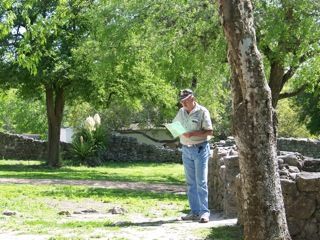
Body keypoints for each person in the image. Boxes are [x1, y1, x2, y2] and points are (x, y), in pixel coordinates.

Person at [173, 89, 213, 223]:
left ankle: (204, 213)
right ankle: (194, 212)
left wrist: (192, 134)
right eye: (181, 100)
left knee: (201, 182)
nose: (183, 102)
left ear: (192, 98)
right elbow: (175, 126)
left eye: (185, 99)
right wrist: (178, 131)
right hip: (186, 150)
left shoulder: (202, 111)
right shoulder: (181, 112)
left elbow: (209, 132)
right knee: (191, 183)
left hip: (200, 149)